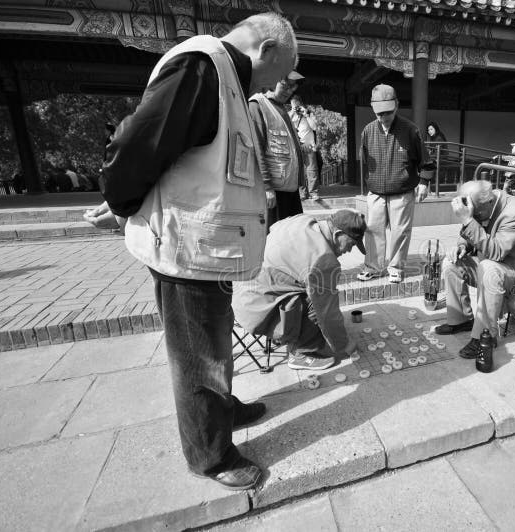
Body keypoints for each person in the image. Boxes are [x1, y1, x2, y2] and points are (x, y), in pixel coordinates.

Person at [85, 13, 298, 491]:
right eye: (279, 71)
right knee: (197, 356)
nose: (276, 84)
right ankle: (211, 454)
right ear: (265, 50)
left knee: (214, 342)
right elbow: (138, 143)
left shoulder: (227, 79)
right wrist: (122, 205)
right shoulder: (202, 68)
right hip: (185, 249)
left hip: (208, 251)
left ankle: (222, 409)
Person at [232, 210, 362, 371]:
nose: (349, 251)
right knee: (316, 304)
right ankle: (302, 354)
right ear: (338, 234)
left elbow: (273, 228)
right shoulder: (323, 259)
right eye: (351, 244)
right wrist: (344, 343)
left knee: (309, 290)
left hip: (240, 295)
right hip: (258, 311)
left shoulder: (303, 220)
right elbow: (326, 312)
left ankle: (284, 333)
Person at [434, 180, 515, 359]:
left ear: (489, 203)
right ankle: (461, 320)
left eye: (475, 214)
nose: (474, 217)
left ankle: (484, 336)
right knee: (451, 263)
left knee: (488, 267)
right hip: (491, 268)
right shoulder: (482, 204)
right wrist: (462, 247)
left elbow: (497, 252)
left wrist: (468, 219)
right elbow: (470, 233)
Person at [357, 84, 433, 284]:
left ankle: (396, 267)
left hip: (402, 191)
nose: (383, 117)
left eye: (388, 112)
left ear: (397, 106)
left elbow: (426, 161)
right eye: (379, 113)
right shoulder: (368, 131)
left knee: (400, 231)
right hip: (376, 192)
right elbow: (364, 160)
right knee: (373, 230)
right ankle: (373, 266)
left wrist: (424, 182)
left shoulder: (410, 130)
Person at [249, 71, 306, 227]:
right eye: (285, 86)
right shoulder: (258, 105)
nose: (288, 92)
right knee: (274, 241)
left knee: (292, 237)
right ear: (273, 80)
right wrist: (267, 187)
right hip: (274, 190)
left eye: (292, 89)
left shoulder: (281, 108)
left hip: (288, 188)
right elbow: (257, 148)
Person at [289, 94, 319, 200]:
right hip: (296, 147)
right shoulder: (290, 115)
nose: (296, 108)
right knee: (299, 171)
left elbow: (314, 127)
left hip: (309, 146)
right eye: (293, 105)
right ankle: (302, 193)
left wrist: (306, 115)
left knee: (312, 170)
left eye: (297, 105)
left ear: (301, 104)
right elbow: (285, 125)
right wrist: (292, 112)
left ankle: (313, 193)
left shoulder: (309, 113)